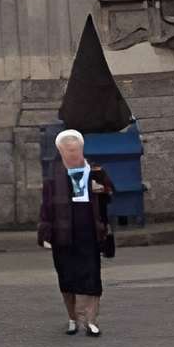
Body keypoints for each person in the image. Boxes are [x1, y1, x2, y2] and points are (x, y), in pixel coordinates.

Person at [38, 125, 114, 336]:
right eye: (68, 150)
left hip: (89, 232)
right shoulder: (53, 178)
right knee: (67, 277)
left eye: (76, 149)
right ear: (61, 152)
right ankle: (72, 318)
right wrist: (45, 234)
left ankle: (91, 320)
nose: (73, 154)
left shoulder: (95, 171)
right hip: (63, 234)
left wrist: (102, 190)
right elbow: (46, 207)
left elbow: (110, 192)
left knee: (91, 278)